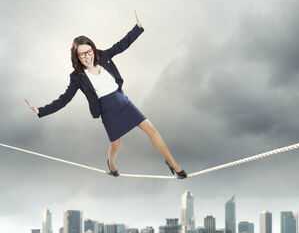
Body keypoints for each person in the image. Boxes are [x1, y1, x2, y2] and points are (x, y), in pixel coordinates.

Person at [24, 10, 187, 179]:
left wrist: (137, 28)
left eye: (89, 52)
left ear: (93, 50)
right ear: (77, 57)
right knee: (115, 146)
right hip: (108, 111)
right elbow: (64, 99)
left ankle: (172, 163)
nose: (87, 56)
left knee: (151, 129)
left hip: (123, 103)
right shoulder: (77, 77)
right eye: (82, 54)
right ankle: (111, 163)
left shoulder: (103, 56)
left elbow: (121, 45)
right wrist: (40, 111)